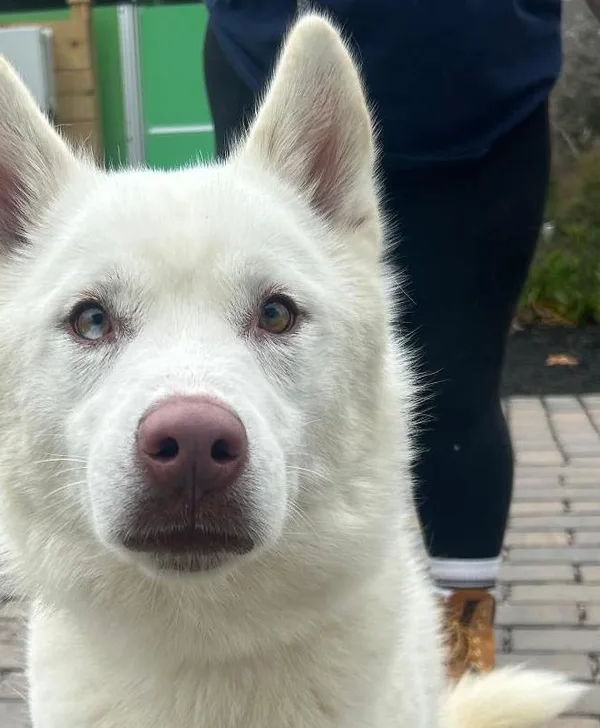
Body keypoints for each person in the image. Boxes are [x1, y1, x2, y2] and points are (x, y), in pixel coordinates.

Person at [202, 0, 592, 681]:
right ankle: (277, 646)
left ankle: (463, 646)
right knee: (272, 376)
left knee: (460, 389)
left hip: (479, 79)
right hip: (281, 62)